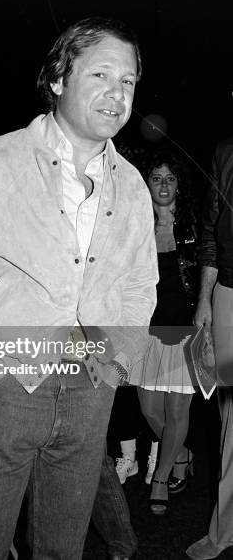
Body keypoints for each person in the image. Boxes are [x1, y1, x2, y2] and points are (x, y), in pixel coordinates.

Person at [0, 17, 158, 559]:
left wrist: (120, 355)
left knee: (63, 549)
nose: (117, 93)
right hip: (5, 384)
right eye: (102, 75)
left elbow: (141, 281)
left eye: (128, 81)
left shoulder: (132, 183)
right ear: (60, 80)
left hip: (91, 387)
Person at [129, 146, 198, 516]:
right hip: (147, 328)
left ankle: (162, 477)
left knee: (177, 409)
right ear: (146, 183)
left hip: (186, 328)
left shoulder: (193, 226)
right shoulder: (136, 226)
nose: (164, 184)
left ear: (179, 185)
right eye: (156, 178)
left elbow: (207, 273)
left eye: (170, 178)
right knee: (150, 411)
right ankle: (182, 453)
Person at [186, 137, 233, 559]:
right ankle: (225, 530)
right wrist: (204, 297)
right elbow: (209, 230)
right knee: (230, 420)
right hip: (229, 293)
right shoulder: (225, 152)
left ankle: (222, 531)